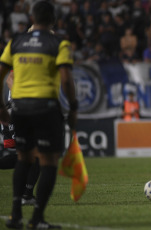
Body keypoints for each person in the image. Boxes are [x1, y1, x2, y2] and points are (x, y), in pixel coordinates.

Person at [0, 1, 77, 229]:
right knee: (48, 160)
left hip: (20, 109)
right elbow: (65, 78)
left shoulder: (16, 42)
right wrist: (73, 107)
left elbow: (2, 73)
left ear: (32, 18)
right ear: (53, 20)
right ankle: (37, 219)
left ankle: (15, 215)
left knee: (23, 158)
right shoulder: (58, 43)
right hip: (45, 107)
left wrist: (2, 107)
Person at [0, 71, 40, 206]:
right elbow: (9, 80)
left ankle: (27, 195)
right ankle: (27, 195)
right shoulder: (22, 63)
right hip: (17, 111)